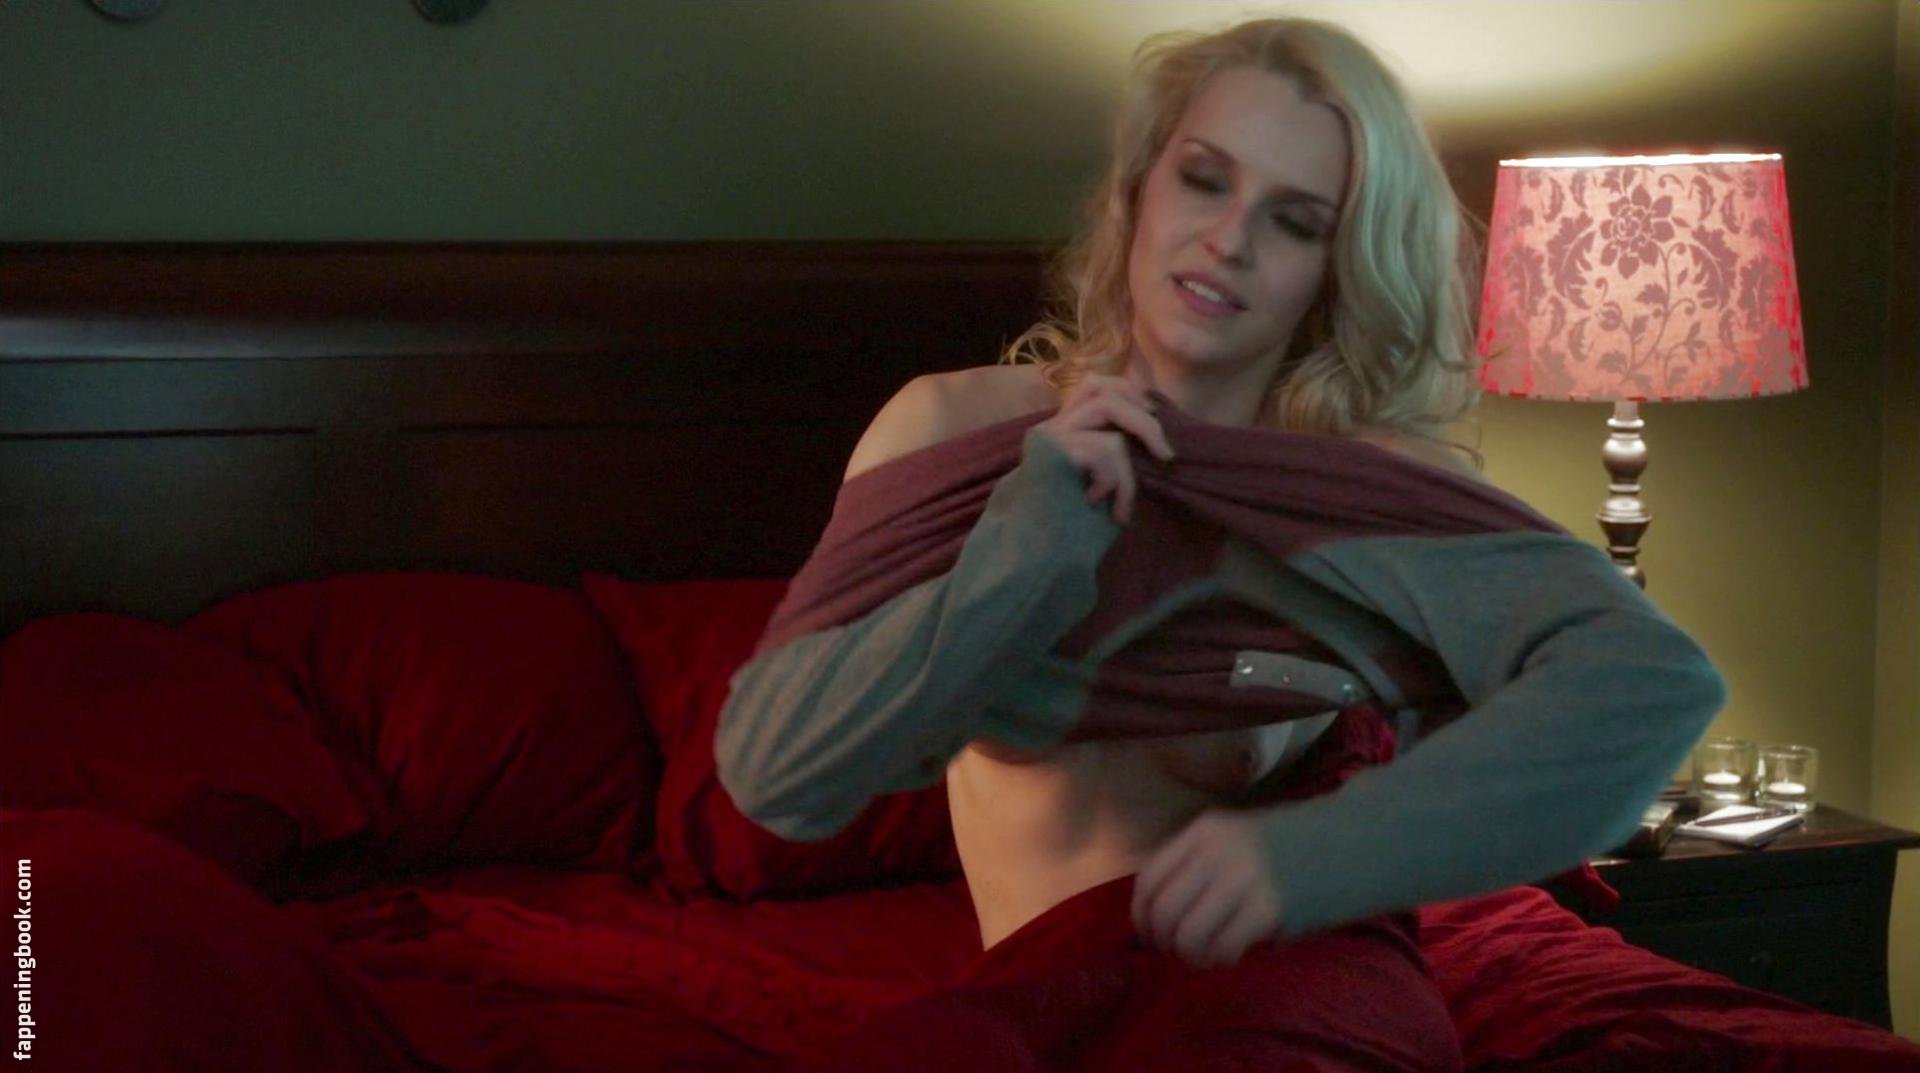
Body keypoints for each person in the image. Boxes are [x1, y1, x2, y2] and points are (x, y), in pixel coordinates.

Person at [715, 15, 1725, 1071]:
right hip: (1037, 997)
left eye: (1294, 221)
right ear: (1139, 187)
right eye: (1204, 180)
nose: (1230, 240)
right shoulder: (951, 432)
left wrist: (1315, 854)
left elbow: (1649, 681)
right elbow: (790, 766)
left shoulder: (1358, 488)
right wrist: (1035, 536)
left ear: (1336, 267)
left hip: (1292, 985)